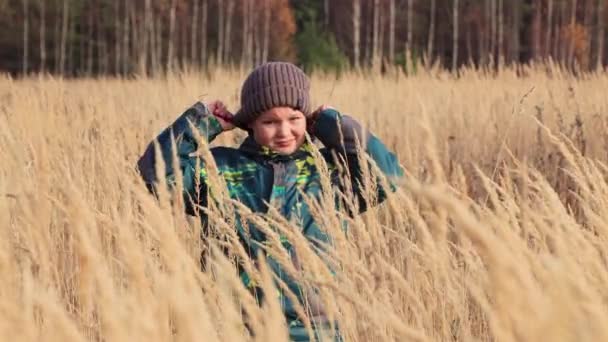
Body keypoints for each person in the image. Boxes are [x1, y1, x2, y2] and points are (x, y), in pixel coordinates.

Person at [137, 62, 403, 341]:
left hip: (316, 332)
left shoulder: (328, 173)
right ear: (250, 122)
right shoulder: (221, 170)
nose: (284, 131)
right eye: (270, 122)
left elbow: (387, 176)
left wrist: (333, 124)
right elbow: (156, 173)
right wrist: (202, 122)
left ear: (307, 119)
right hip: (235, 328)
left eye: (294, 119)